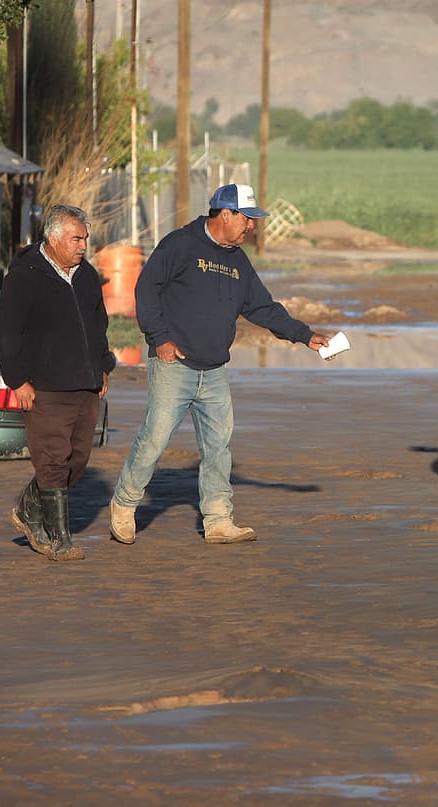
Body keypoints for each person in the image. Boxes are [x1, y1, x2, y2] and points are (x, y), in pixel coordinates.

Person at [109, 183, 332, 545]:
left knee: (218, 447)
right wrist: (159, 338)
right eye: (247, 219)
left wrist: (305, 335)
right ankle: (124, 504)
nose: (252, 226)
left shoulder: (238, 261)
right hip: (174, 365)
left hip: (213, 371)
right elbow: (146, 289)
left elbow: (263, 308)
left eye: (254, 220)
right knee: (154, 439)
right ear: (225, 214)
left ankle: (218, 520)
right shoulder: (180, 244)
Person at [0, 204, 115, 561]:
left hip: (86, 385)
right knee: (52, 460)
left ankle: (28, 509)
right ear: (53, 238)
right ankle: (60, 540)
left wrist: (102, 366)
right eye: (76, 239)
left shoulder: (87, 275)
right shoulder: (24, 276)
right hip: (44, 387)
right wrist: (17, 380)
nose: (83, 246)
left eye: (85, 239)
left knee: (77, 461)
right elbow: (6, 332)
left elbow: (99, 325)